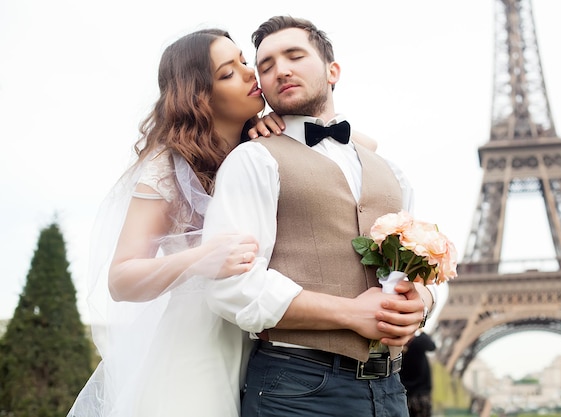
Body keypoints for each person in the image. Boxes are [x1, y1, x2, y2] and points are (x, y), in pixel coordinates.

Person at [67, 27, 397, 417]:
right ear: (198, 97)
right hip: (202, 345)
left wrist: (286, 124)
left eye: (243, 61)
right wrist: (199, 260)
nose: (250, 75)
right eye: (228, 73)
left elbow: (362, 145)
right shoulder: (167, 168)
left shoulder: (259, 148)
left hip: (275, 348)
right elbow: (121, 279)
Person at [201, 16, 438, 417]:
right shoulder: (253, 160)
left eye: (295, 55)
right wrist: (349, 313)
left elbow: (417, 270)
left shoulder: (390, 171)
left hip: (390, 390)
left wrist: (424, 302)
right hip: (297, 388)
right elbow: (229, 285)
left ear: (333, 71)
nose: (282, 70)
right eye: (267, 65)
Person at [400, 332, 437, 417]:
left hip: (411, 394)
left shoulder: (416, 344)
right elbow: (432, 346)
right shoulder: (419, 342)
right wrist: (421, 331)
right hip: (418, 394)